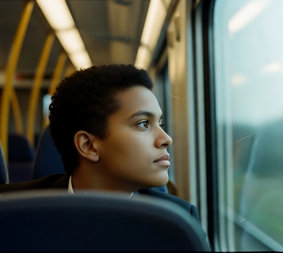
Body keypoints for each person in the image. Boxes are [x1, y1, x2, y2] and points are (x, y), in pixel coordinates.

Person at [0, 64, 208, 244]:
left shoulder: (177, 221)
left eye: (159, 123)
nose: (166, 139)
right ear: (88, 145)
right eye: (144, 124)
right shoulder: (10, 210)